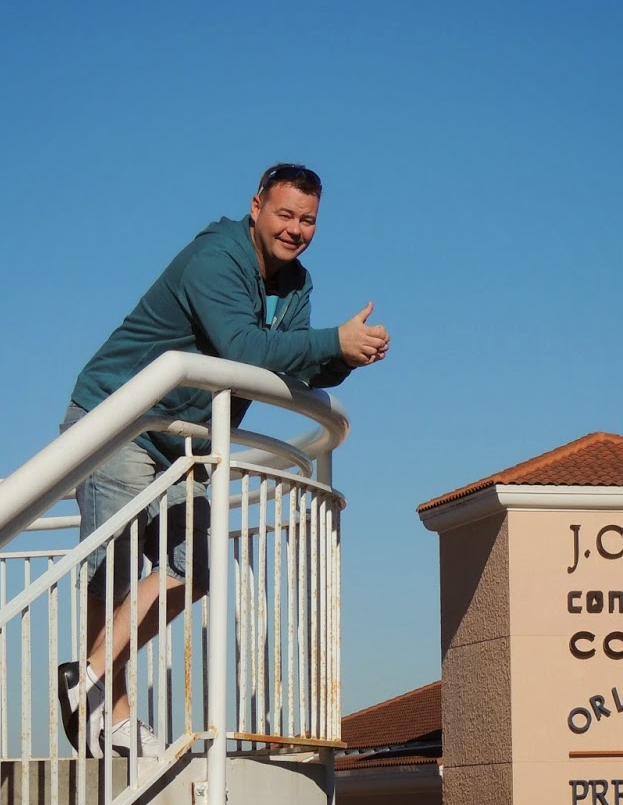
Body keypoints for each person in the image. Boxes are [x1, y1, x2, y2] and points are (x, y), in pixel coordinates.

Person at [56, 163, 389, 757]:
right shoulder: (215, 257)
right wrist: (331, 341)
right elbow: (243, 348)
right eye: (285, 214)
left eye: (308, 220)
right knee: (115, 570)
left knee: (199, 566)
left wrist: (343, 357)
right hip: (122, 419)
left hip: (184, 440)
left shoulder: (295, 282)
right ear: (256, 206)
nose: (295, 230)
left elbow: (287, 361)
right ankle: (113, 712)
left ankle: (89, 677)